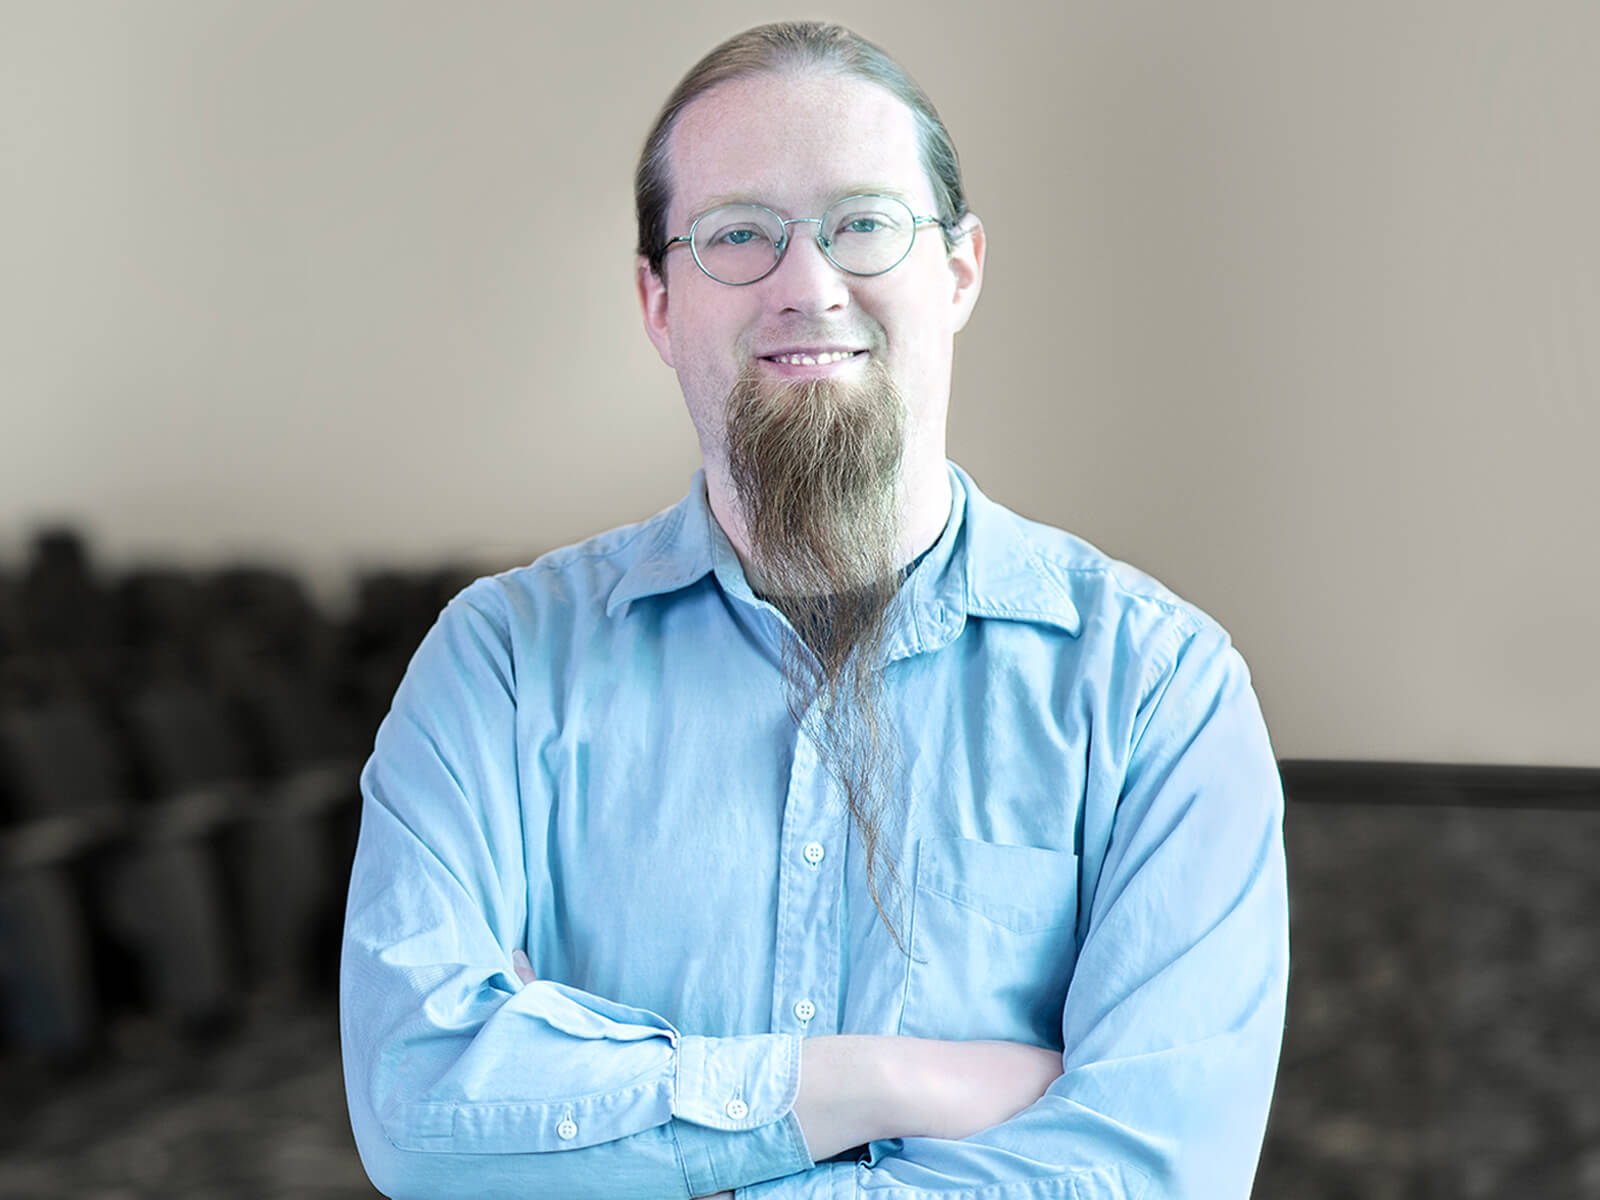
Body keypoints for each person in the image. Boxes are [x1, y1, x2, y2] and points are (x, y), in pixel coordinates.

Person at [340, 21, 1287, 1200]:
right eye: (738, 234)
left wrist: (592, 1131)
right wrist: (876, 1084)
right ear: (656, 299)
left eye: (864, 223)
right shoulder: (501, 664)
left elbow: (1154, 1174)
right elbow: (418, 1116)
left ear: (958, 270)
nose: (807, 284)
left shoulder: (1160, 689)